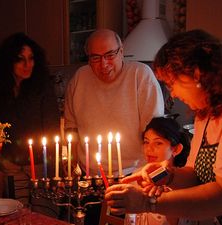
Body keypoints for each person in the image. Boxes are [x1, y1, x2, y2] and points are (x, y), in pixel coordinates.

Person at [105, 29, 222, 224]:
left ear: (196, 73)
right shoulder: (209, 106)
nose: (172, 94)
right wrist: (168, 175)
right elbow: (195, 175)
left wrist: (147, 202)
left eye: (172, 84)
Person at [64, 28, 164, 225]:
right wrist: (70, 170)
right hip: (89, 179)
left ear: (121, 50)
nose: (104, 64)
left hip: (130, 177)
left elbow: (154, 133)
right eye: (95, 57)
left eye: (110, 55)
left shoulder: (140, 76)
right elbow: (71, 128)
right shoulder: (79, 78)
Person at [0, 33, 60, 210]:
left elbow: (52, 127)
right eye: (20, 59)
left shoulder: (42, 87)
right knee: (17, 211)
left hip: (40, 163)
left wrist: (53, 167)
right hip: (10, 164)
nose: (28, 65)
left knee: (43, 212)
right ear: (9, 61)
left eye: (31, 58)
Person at [130, 116, 192, 225]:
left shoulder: (185, 182)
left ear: (176, 149)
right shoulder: (136, 177)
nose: (149, 149)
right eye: (146, 142)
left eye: (158, 143)